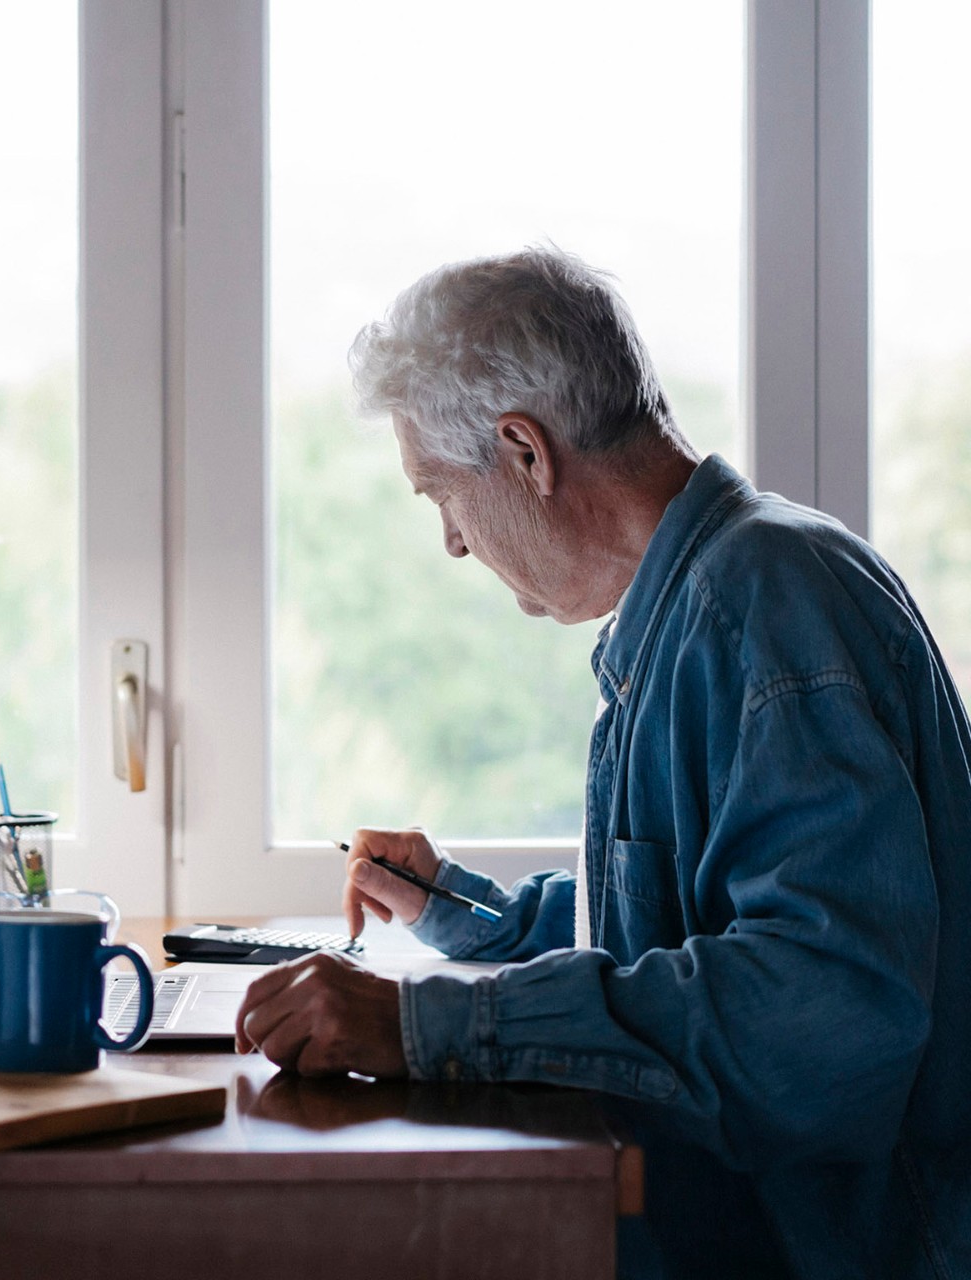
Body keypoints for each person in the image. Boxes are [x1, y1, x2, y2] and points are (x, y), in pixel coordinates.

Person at [234, 246, 971, 1277]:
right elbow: (672, 928)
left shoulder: (764, 605)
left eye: (439, 494)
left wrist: (427, 1022)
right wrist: (467, 912)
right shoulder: (700, 598)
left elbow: (820, 1007)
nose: (452, 543)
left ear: (523, 452)